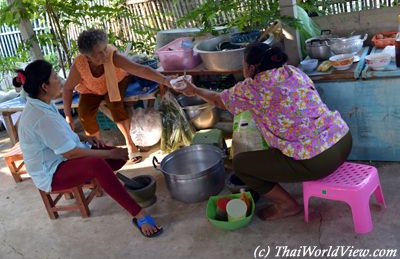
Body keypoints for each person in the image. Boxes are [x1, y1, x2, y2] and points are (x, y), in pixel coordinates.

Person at [174, 43, 352, 221]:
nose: (242, 67)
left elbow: (219, 100)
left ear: (251, 67)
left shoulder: (252, 88)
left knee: (241, 164)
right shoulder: (292, 71)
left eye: (243, 64)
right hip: (343, 140)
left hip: (318, 162)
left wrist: (194, 90)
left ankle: (287, 205)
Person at [17, 60, 162, 237]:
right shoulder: (39, 116)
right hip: (51, 172)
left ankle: (105, 181)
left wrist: (86, 138)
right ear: (44, 86)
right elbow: (70, 153)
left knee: (117, 157)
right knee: (98, 163)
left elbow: (62, 135)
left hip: (61, 157)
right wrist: (106, 153)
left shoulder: (44, 103)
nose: (60, 80)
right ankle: (139, 214)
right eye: (55, 77)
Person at [63, 29, 172, 163]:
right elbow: (67, 89)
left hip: (117, 81)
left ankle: (130, 143)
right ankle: (97, 148)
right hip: (91, 89)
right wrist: (68, 116)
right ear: (87, 57)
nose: (104, 54)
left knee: (115, 104)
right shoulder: (79, 64)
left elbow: (141, 69)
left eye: (104, 49)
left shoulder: (112, 56)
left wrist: (166, 80)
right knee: (84, 113)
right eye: (98, 53)